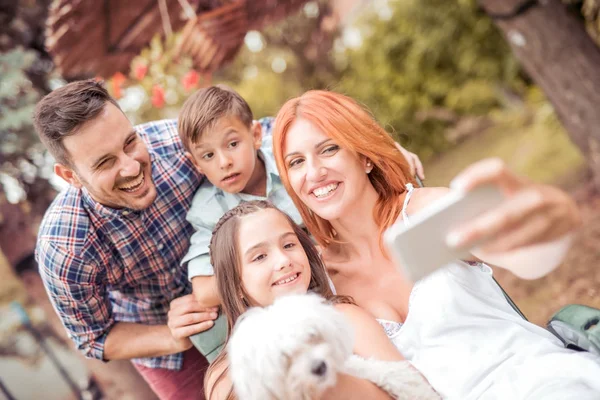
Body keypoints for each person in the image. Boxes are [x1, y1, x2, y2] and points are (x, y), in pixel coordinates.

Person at [272, 90, 600, 399]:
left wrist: (549, 219)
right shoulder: (316, 281)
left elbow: (528, 252)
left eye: (329, 149)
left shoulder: (425, 214)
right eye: (296, 162)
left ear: (365, 157)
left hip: (543, 383)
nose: (314, 172)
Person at [33, 80, 218, 400]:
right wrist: (172, 336)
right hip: (161, 343)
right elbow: (94, 337)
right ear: (70, 176)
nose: (132, 167)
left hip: (233, 292)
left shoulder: (183, 144)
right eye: (105, 162)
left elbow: (261, 144)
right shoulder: (63, 248)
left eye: (131, 142)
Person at [177, 84, 424, 309]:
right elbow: (205, 292)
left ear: (255, 135)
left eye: (232, 144)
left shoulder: (292, 160)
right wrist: (276, 263)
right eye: (208, 155)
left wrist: (385, 152)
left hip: (355, 245)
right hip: (305, 285)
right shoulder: (208, 209)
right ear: (195, 164)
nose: (224, 162)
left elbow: (333, 138)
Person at [201, 200, 437, 400]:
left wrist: (324, 377)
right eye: (260, 256)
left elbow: (411, 388)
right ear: (236, 283)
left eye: (289, 244)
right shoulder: (225, 377)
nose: (283, 260)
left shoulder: (343, 317)